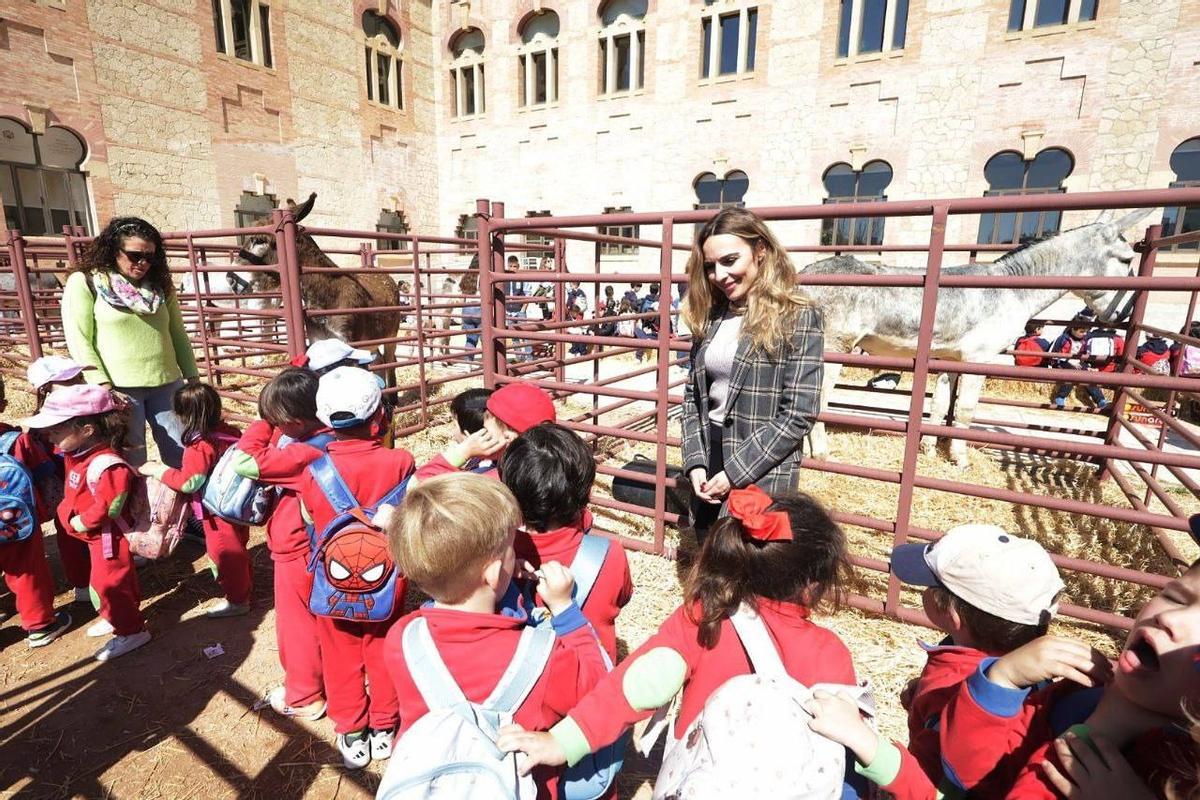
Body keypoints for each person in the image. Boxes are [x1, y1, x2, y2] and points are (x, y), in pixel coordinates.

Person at [497, 487, 858, 792]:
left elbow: (639, 686)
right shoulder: (832, 654)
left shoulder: (705, 620)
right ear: (812, 583)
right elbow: (844, 747)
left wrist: (563, 741)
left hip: (701, 782)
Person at [382, 473, 607, 799]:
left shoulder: (403, 637)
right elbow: (600, 685)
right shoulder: (543, 656)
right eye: (509, 550)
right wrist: (566, 610)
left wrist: (501, 579)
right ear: (491, 571)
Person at [232, 367, 415, 769]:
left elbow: (247, 463)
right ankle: (385, 727)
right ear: (380, 419)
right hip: (386, 577)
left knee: (339, 655)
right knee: (382, 647)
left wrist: (266, 419)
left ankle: (352, 733)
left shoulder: (306, 461)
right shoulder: (401, 460)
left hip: (332, 579)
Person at [938, 550, 1200, 799]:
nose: (1170, 618)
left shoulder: (1181, 777)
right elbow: (971, 773)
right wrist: (1001, 680)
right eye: (1175, 598)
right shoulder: (1079, 691)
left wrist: (1100, 732)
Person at [679, 207, 825, 543]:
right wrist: (695, 461)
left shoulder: (800, 316)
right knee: (709, 554)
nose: (720, 275)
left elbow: (798, 413)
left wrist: (734, 472)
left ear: (760, 251)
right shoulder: (711, 316)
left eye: (730, 260)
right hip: (709, 453)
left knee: (751, 563)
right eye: (711, 266)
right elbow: (693, 397)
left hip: (762, 466)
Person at [889, 524, 1064, 792]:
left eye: (929, 585)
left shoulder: (949, 688)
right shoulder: (1033, 670)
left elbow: (923, 777)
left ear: (949, 613)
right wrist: (919, 698)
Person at [23, 384, 151, 661]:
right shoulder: (75, 454)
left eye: (57, 430)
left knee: (111, 583)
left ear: (87, 430)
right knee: (106, 580)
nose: (49, 435)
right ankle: (114, 615)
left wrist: (82, 522)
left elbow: (110, 506)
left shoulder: (107, 464)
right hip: (94, 537)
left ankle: (131, 630)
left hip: (107, 538)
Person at [61, 216, 199, 467]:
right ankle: (137, 506)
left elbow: (177, 333)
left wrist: (193, 378)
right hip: (119, 390)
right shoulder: (87, 283)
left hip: (168, 384)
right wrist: (103, 386)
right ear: (114, 250)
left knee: (184, 454)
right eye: (135, 255)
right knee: (130, 460)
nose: (143, 263)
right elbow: (80, 339)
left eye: (150, 257)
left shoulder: (160, 287)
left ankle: (186, 505)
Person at [234, 368, 332, 722]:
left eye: (279, 420)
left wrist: (263, 423)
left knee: (298, 624)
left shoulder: (304, 453)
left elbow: (246, 461)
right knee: (325, 619)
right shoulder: (333, 436)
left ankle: (305, 695)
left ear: (292, 420)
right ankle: (333, 681)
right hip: (323, 543)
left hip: (297, 547)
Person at [500, 423, 634, 661]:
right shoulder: (609, 555)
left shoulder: (491, 555)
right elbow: (622, 598)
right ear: (585, 490)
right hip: (588, 680)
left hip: (522, 683)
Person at [138, 383, 251, 618]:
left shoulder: (199, 447)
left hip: (215, 509)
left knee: (224, 553)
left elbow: (190, 482)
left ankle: (238, 599)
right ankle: (244, 582)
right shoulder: (231, 432)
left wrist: (158, 470)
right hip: (237, 503)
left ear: (182, 414)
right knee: (238, 545)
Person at [0, 376, 73, 648]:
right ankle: (41, 625)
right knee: (25, 569)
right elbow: (44, 473)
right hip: (13, 522)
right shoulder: (15, 440)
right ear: (3, 403)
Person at [25, 355, 91, 601]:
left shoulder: (88, 407)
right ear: (46, 389)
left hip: (89, 488)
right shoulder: (47, 427)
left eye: (79, 376)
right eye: (70, 380)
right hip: (69, 493)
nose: (79, 382)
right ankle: (83, 582)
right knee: (69, 529)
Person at [415, 382, 555, 482]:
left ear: (509, 437)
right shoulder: (549, 467)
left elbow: (418, 487)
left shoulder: (491, 483)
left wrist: (463, 452)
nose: (483, 425)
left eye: (488, 419)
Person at [460, 272, 482, 362]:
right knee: (485, 338)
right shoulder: (482, 275)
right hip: (479, 307)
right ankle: (489, 363)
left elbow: (462, 296)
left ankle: (468, 363)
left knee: (470, 338)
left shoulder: (467, 276)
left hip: (467, 308)